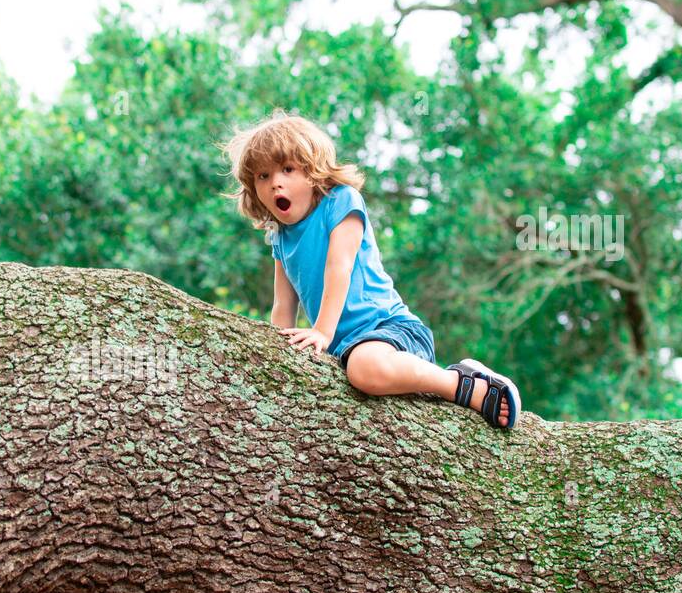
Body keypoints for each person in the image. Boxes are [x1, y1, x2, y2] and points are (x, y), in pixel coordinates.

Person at [220, 108, 521, 429]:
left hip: (392, 330)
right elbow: (282, 306)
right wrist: (276, 353)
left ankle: (464, 383)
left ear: (311, 172)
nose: (275, 184)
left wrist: (321, 332)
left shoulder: (341, 201)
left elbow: (340, 267)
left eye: (287, 170)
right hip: (347, 351)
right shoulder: (279, 235)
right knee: (358, 366)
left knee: (363, 368)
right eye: (263, 176)